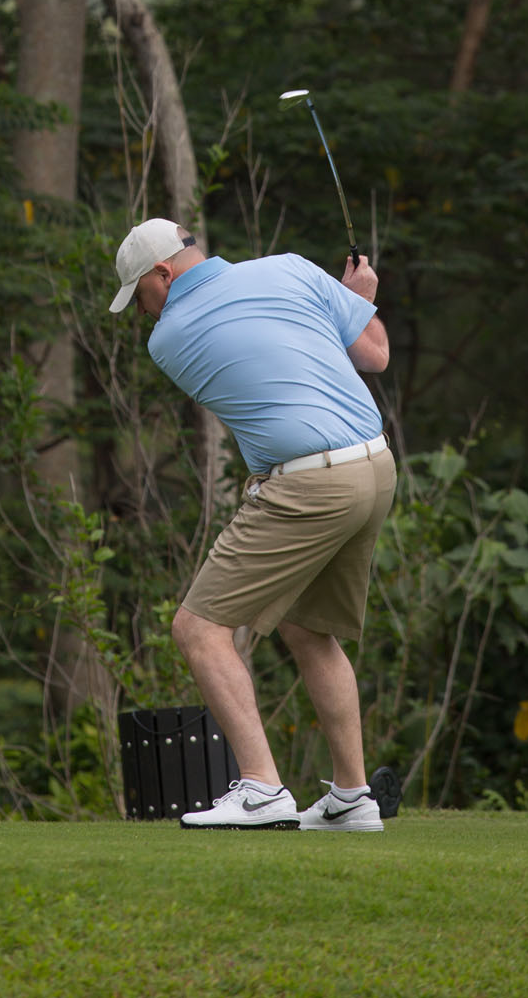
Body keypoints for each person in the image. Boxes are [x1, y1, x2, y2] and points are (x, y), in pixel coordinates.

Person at [109, 215, 393, 831]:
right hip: (375, 467)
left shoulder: (169, 338)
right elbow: (375, 354)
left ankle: (263, 791)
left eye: (142, 295)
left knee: (198, 629)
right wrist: (357, 300)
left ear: (164, 273)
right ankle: (352, 797)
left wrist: (347, 302)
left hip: (309, 483)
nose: (142, 312)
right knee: (308, 628)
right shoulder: (289, 266)